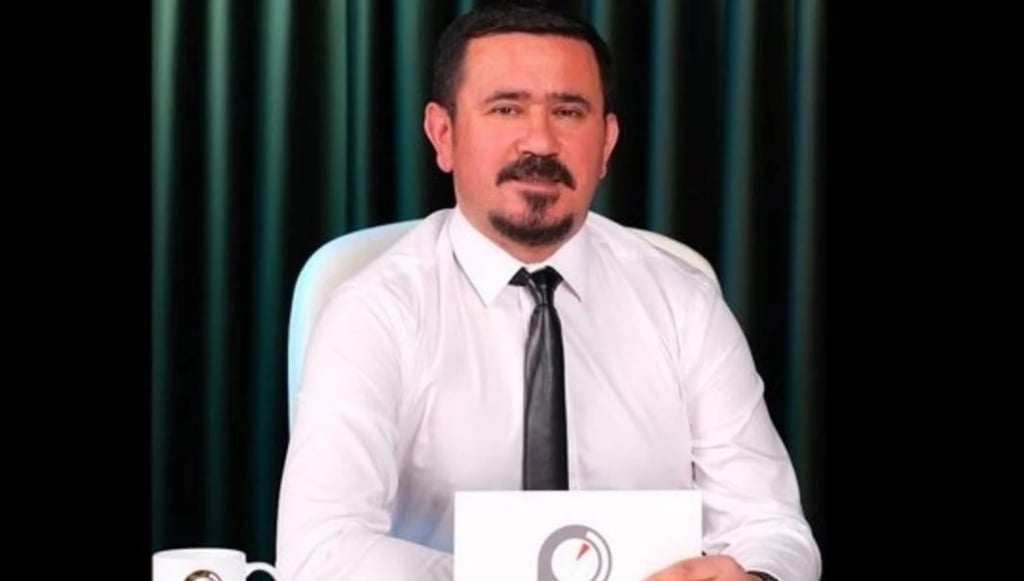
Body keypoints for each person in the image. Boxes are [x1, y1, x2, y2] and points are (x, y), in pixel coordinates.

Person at [276, 3, 821, 581]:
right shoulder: (373, 312)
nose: (540, 141)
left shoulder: (683, 301)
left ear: (606, 142)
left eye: (568, 111)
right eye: (506, 108)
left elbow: (773, 528)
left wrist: (754, 577)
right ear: (444, 134)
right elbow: (319, 551)